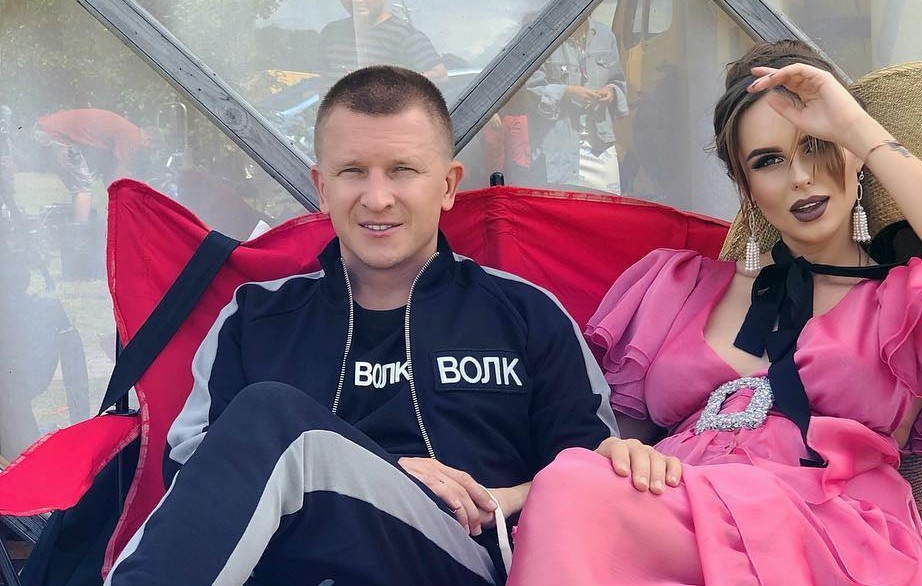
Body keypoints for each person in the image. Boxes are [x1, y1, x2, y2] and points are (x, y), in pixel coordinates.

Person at [505, 40, 922, 586]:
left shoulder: (907, 300)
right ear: (746, 187)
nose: (800, 176)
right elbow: (614, 443)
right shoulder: (675, 287)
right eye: (768, 161)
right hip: (674, 524)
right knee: (570, 482)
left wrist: (857, 129)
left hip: (827, 538)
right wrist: (616, 455)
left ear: (856, 154)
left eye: (817, 146)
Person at [104, 66, 616, 586]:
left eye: (402, 170)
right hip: (278, 569)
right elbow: (194, 477)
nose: (377, 198)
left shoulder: (525, 313)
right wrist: (388, 467)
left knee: (271, 415)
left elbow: (590, 474)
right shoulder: (253, 318)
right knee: (270, 425)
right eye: (353, 171)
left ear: (447, 185)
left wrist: (489, 498)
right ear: (322, 188)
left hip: (456, 560)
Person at [519, 18, 629, 193]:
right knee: (564, 206)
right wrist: (568, 92)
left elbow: (618, 80)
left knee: (607, 204)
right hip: (559, 147)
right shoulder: (543, 38)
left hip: (600, 143)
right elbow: (530, 89)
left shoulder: (605, 36)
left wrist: (611, 91)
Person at [33, 108, 146, 222]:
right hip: (57, 135)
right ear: (149, 141)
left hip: (48, 129)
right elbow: (119, 176)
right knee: (82, 186)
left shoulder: (127, 129)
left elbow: (111, 174)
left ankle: (78, 221)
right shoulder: (133, 137)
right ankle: (81, 229)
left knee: (79, 185)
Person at [318, 0, 447, 90]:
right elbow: (322, 80)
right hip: (335, 119)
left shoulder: (404, 34)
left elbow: (440, 76)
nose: (356, 1)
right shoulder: (331, 33)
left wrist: (391, 81)